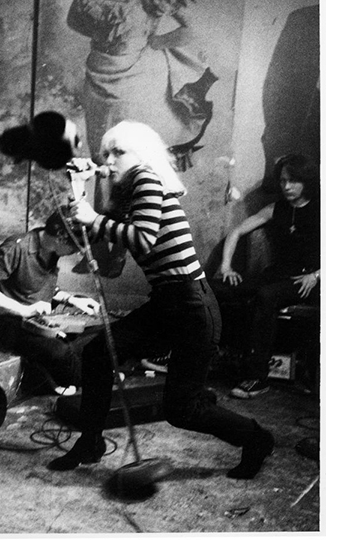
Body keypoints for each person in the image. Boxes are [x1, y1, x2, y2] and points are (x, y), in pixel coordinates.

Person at [47, 121, 274, 480]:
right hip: (168, 301)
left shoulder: (146, 178)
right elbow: (101, 235)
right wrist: (81, 186)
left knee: (183, 409)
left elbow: (142, 239)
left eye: (118, 152)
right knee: (98, 354)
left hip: (191, 305)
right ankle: (90, 443)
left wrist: (93, 218)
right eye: (106, 154)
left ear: (141, 154)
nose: (109, 160)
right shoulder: (132, 190)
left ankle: (257, 438)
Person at [67, 0, 217, 276]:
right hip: (98, 77)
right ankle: (99, 246)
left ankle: (118, 251)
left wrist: (155, 41)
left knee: (127, 162)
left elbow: (192, 27)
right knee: (100, 159)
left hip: (138, 79)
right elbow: (74, 21)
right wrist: (109, 31)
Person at [217, 154, 320, 399]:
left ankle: (257, 378)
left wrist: (317, 275)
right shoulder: (276, 208)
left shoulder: (323, 209)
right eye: (283, 180)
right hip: (277, 274)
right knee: (213, 288)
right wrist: (226, 266)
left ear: (306, 180)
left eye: (293, 181)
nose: (287, 186)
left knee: (266, 296)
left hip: (307, 279)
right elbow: (237, 231)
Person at [0, 207, 101, 396]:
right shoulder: (17, 247)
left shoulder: (53, 250)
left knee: (98, 332)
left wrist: (72, 299)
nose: (76, 253)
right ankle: (92, 378)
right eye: (75, 247)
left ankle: (70, 374)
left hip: (38, 321)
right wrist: (23, 310)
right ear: (61, 236)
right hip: (11, 323)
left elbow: (38, 285)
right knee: (59, 351)